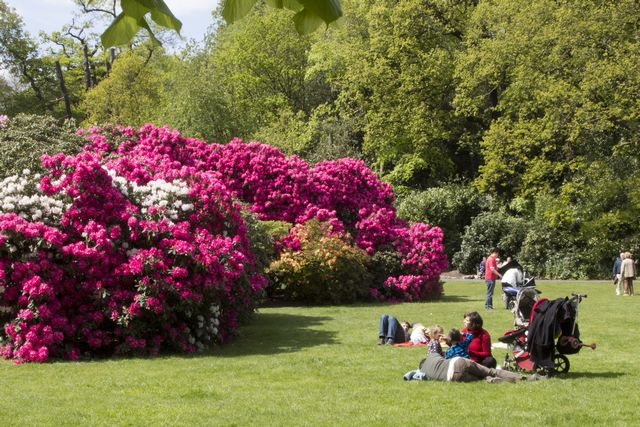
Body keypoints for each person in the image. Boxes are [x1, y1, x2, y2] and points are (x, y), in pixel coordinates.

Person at [418, 347, 542, 383]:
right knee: (490, 371)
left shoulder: (425, 373)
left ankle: (492, 381)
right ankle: (525, 378)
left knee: (483, 379)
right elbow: (443, 355)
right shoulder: (432, 356)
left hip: (452, 377)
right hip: (458, 362)